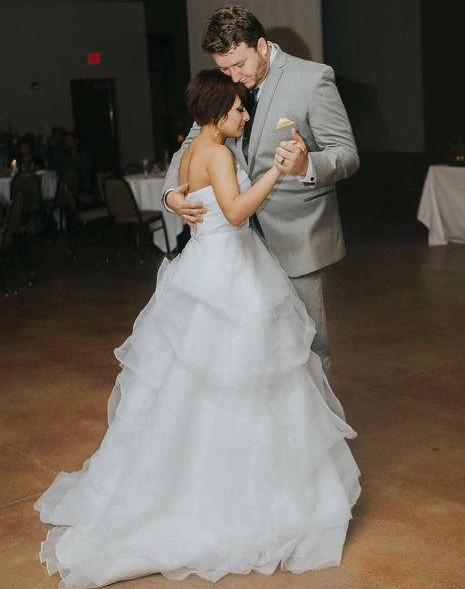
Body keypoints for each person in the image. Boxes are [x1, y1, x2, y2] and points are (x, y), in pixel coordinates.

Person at [34, 69, 360, 588]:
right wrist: (275, 173)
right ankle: (237, 494)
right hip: (230, 272)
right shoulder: (220, 153)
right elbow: (233, 213)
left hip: (205, 268)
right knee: (243, 378)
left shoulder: (194, 149)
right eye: (237, 110)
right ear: (215, 116)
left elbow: (199, 199)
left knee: (191, 384)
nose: (246, 115)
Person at [163, 5, 359, 377]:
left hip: (297, 235)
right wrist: (173, 190)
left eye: (239, 65)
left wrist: (307, 166)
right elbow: (194, 138)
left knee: (308, 345)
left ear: (262, 46)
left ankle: (317, 432)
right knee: (255, 346)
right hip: (239, 245)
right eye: (224, 69)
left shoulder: (313, 79)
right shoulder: (230, 81)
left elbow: (347, 154)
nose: (234, 77)